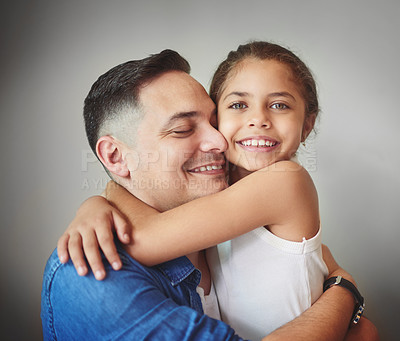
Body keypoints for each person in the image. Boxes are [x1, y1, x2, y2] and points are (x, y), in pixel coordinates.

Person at [44, 47, 377, 340]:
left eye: (212, 121)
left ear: (307, 124)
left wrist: (99, 202)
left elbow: (323, 263)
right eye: (184, 129)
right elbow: (328, 266)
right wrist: (343, 291)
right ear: (116, 157)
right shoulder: (92, 270)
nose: (218, 141)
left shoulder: (274, 184)